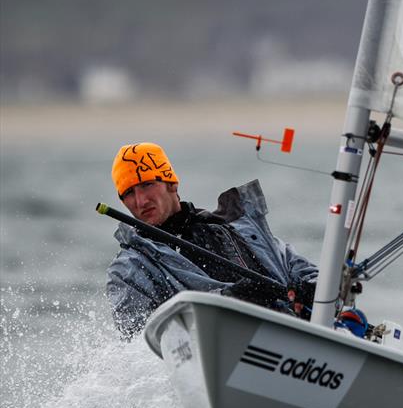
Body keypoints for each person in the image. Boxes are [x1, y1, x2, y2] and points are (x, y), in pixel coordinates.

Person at [105, 142, 318, 339]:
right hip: (212, 347)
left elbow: (312, 276)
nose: (141, 200)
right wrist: (228, 300)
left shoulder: (238, 227)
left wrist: (306, 290)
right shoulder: (128, 268)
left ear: (171, 183)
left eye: (147, 185)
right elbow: (136, 340)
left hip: (293, 341)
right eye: (128, 193)